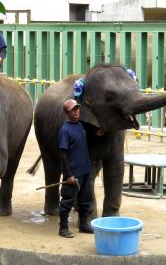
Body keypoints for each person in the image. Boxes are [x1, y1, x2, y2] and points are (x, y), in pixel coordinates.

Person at [58, 99, 94, 238]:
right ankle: (63, 228)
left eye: (77, 108)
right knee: (67, 202)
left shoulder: (81, 126)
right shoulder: (65, 130)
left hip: (85, 171)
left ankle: (84, 225)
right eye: (73, 109)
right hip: (73, 174)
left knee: (85, 201)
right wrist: (68, 175)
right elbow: (63, 154)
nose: (76, 111)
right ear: (67, 113)